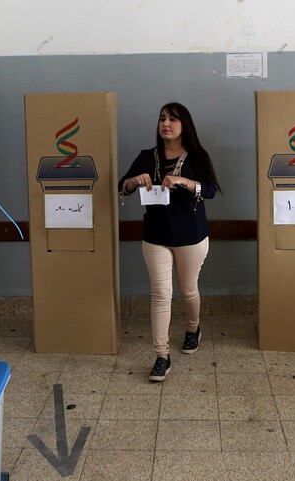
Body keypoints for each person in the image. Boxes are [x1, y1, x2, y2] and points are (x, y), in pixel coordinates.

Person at [119, 102, 221, 382]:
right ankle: (161, 355)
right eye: (162, 118)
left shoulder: (197, 157)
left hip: (191, 236)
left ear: (184, 125)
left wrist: (186, 183)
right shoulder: (145, 156)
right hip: (155, 237)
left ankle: (193, 327)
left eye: (173, 119)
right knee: (161, 294)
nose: (166, 123)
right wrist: (132, 181)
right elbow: (122, 187)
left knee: (188, 291)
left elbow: (210, 190)